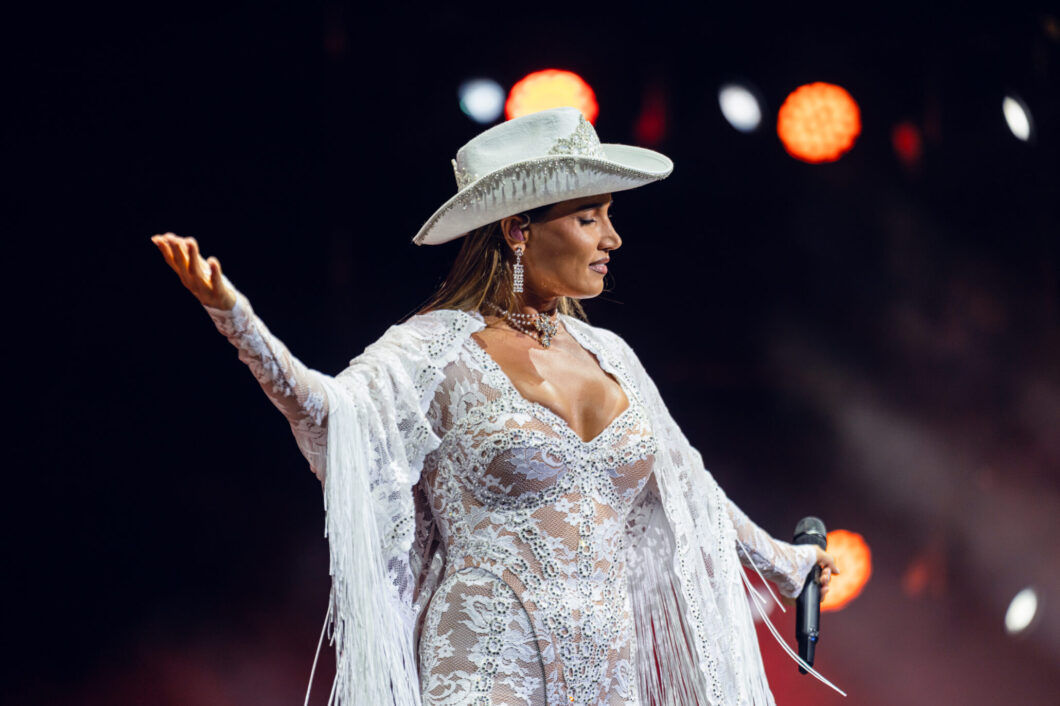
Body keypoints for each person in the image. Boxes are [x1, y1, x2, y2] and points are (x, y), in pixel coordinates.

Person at [152, 107, 839, 706]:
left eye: (608, 216)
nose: (612, 238)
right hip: (486, 666)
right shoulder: (433, 349)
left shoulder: (612, 356)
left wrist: (787, 562)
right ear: (518, 229)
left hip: (607, 674)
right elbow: (329, 412)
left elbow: (690, 489)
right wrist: (236, 320)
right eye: (589, 217)